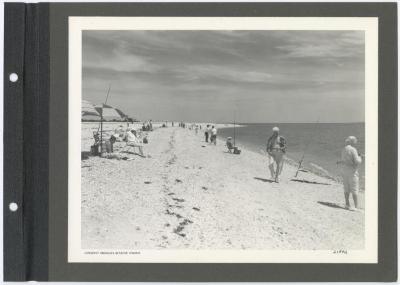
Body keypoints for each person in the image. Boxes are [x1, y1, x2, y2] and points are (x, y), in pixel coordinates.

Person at [337, 136, 362, 210]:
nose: (355, 143)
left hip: (344, 170)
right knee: (354, 188)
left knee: (346, 187)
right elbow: (357, 162)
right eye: (355, 141)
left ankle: (347, 204)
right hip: (352, 171)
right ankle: (356, 206)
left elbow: (344, 160)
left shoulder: (344, 149)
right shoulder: (353, 149)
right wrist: (361, 158)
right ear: (352, 142)